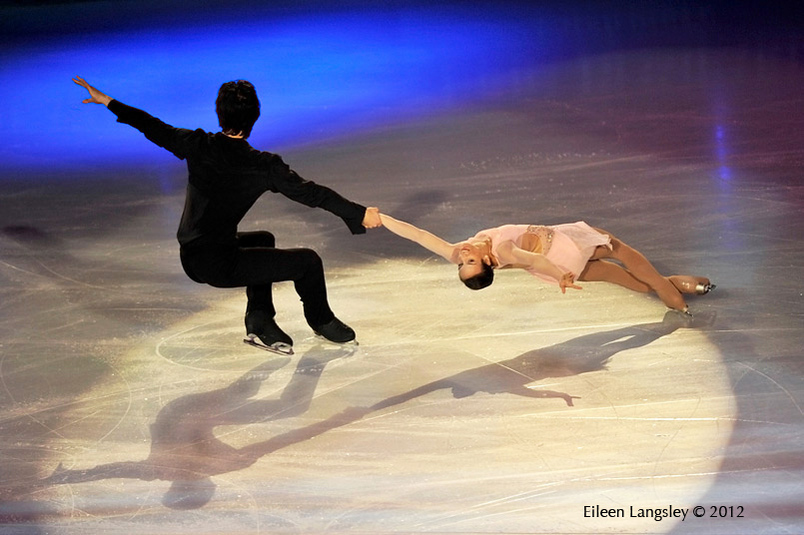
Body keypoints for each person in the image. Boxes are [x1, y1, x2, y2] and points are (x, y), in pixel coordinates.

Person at [73, 77, 381, 353]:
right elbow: (312, 194)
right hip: (219, 264)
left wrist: (108, 102)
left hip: (192, 255)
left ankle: (260, 320)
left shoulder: (198, 144)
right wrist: (358, 214)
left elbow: (152, 125)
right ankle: (322, 320)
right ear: (255, 117)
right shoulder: (264, 166)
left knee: (263, 239)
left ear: (219, 114)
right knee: (309, 262)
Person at [378, 214, 714, 314]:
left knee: (622, 278)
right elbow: (535, 257)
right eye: (469, 260)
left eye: (461, 262)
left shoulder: (456, 251)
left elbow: (418, 235)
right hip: (563, 248)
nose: (462, 255)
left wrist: (380, 218)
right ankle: (674, 295)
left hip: (559, 266)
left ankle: (675, 287)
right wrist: (560, 273)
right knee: (621, 251)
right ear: (484, 262)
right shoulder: (503, 250)